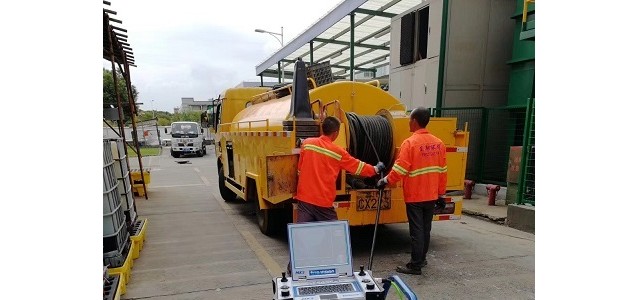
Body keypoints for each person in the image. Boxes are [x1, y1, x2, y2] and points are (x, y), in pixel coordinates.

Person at [376, 107, 447, 275]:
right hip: (431, 195)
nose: (408, 122)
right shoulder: (439, 143)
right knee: (425, 229)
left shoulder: (410, 143)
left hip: (415, 196)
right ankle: (421, 259)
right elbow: (443, 172)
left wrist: (384, 181)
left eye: (409, 119)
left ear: (414, 121)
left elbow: (399, 170)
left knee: (416, 231)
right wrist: (441, 195)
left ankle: (415, 265)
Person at [294, 116, 385, 222]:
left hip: (304, 198)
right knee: (334, 234)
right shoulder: (338, 152)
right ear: (336, 133)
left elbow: (300, 169)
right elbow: (357, 167)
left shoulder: (307, 144)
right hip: (322, 201)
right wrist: (375, 169)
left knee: (303, 233)